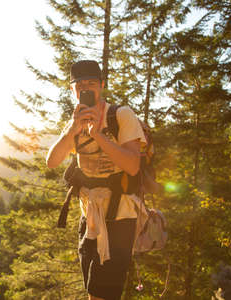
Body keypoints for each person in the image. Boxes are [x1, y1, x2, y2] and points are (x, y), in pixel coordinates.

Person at [46, 60, 149, 300]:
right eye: (79, 85)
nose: (86, 89)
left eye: (91, 83)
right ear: (73, 90)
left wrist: (98, 136)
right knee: (94, 292)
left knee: (102, 294)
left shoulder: (121, 115)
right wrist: (73, 130)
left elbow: (132, 165)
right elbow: (52, 161)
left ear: (101, 85)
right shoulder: (75, 122)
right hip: (89, 219)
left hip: (120, 218)